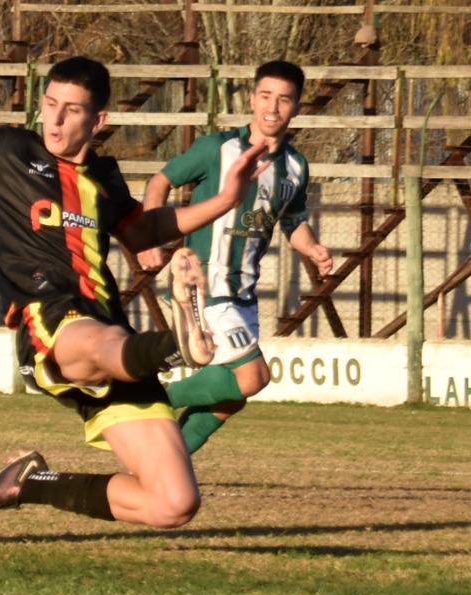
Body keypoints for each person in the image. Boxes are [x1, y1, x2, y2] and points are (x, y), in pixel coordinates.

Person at [0, 16, 267, 530]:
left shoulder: (103, 178)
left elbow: (145, 232)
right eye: (50, 103)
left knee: (173, 504)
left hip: (110, 328)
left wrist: (226, 199)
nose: (54, 120)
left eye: (71, 110)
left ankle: (30, 482)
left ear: (98, 121)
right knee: (103, 344)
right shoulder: (8, 151)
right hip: (50, 319)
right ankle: (178, 347)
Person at [139, 60, 334, 453]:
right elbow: (160, 181)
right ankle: (145, 400)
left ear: (296, 107)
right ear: (252, 99)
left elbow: (293, 221)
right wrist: (149, 236)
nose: (272, 107)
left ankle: (162, 465)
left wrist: (312, 247)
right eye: (265, 96)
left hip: (243, 291)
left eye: (284, 100)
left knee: (229, 400)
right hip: (204, 281)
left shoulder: (296, 166)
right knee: (251, 377)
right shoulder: (218, 148)